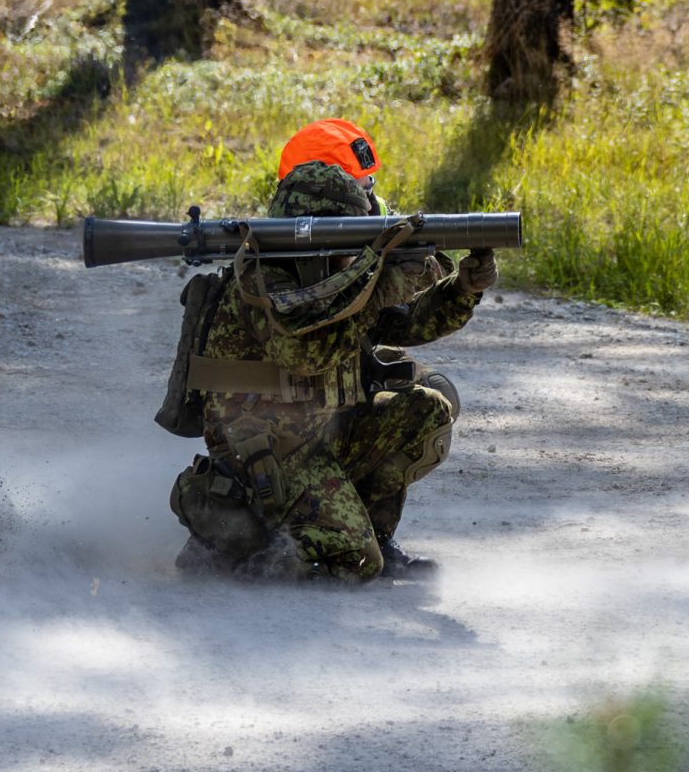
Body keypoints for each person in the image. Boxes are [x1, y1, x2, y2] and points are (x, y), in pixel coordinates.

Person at [167, 118, 497, 582]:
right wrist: (376, 292)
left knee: (425, 409)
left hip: (320, 434)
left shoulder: (332, 273)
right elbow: (306, 355)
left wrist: (464, 287)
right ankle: (236, 554)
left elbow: (408, 323)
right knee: (357, 564)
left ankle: (370, 534)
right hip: (267, 455)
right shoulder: (261, 279)